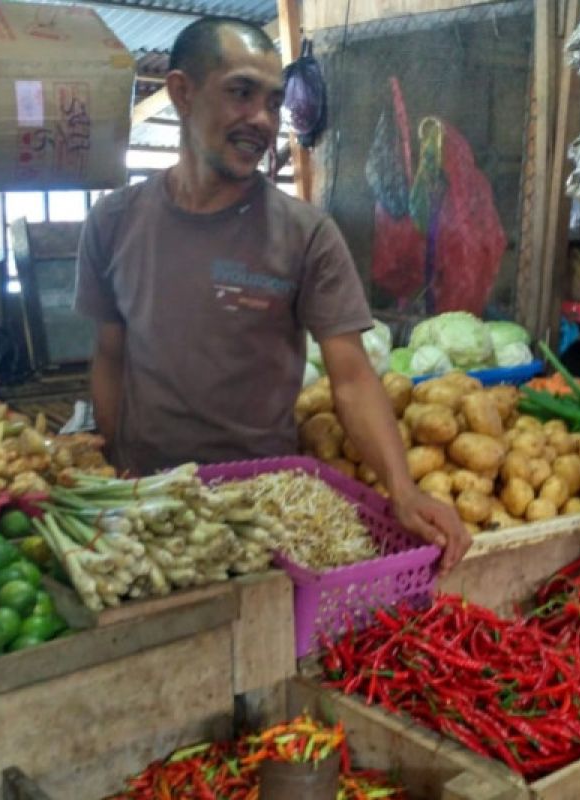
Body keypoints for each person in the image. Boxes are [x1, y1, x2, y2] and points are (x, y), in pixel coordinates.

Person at [74, 18, 470, 574]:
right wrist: (112, 460)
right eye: (240, 93)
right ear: (182, 92)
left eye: (273, 102)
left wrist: (402, 490)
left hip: (262, 509)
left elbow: (352, 377)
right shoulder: (113, 222)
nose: (261, 120)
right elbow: (110, 356)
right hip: (149, 501)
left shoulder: (306, 235)